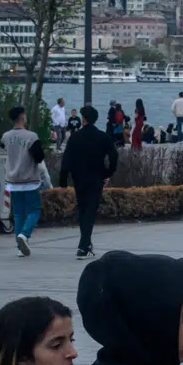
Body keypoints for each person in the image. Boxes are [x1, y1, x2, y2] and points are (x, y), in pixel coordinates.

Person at [59, 105, 118, 261]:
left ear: (83, 119)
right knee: (90, 211)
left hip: (79, 178)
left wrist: (63, 182)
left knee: (83, 209)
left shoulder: (75, 137)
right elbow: (114, 156)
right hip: (96, 177)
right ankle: (84, 247)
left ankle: (85, 244)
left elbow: (66, 161)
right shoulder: (103, 137)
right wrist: (108, 173)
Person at [0, 106, 46, 258]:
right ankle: (25, 234)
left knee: (19, 213)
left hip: (13, 181)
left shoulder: (5, 137)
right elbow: (39, 157)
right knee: (35, 210)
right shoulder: (31, 137)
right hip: (30, 179)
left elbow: (3, 149)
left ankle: (20, 248)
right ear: (22, 117)